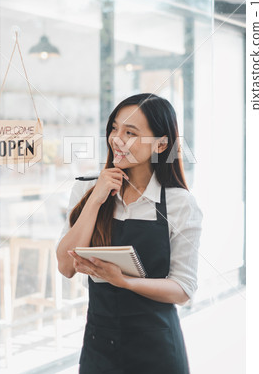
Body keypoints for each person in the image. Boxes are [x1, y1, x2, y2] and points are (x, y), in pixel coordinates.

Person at [56, 93, 203, 374]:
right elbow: (65, 266)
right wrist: (96, 199)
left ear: (161, 144)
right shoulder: (86, 191)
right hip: (98, 348)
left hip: (157, 349)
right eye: (114, 128)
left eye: (130, 132)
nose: (117, 139)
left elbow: (183, 290)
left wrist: (123, 281)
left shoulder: (179, 203)